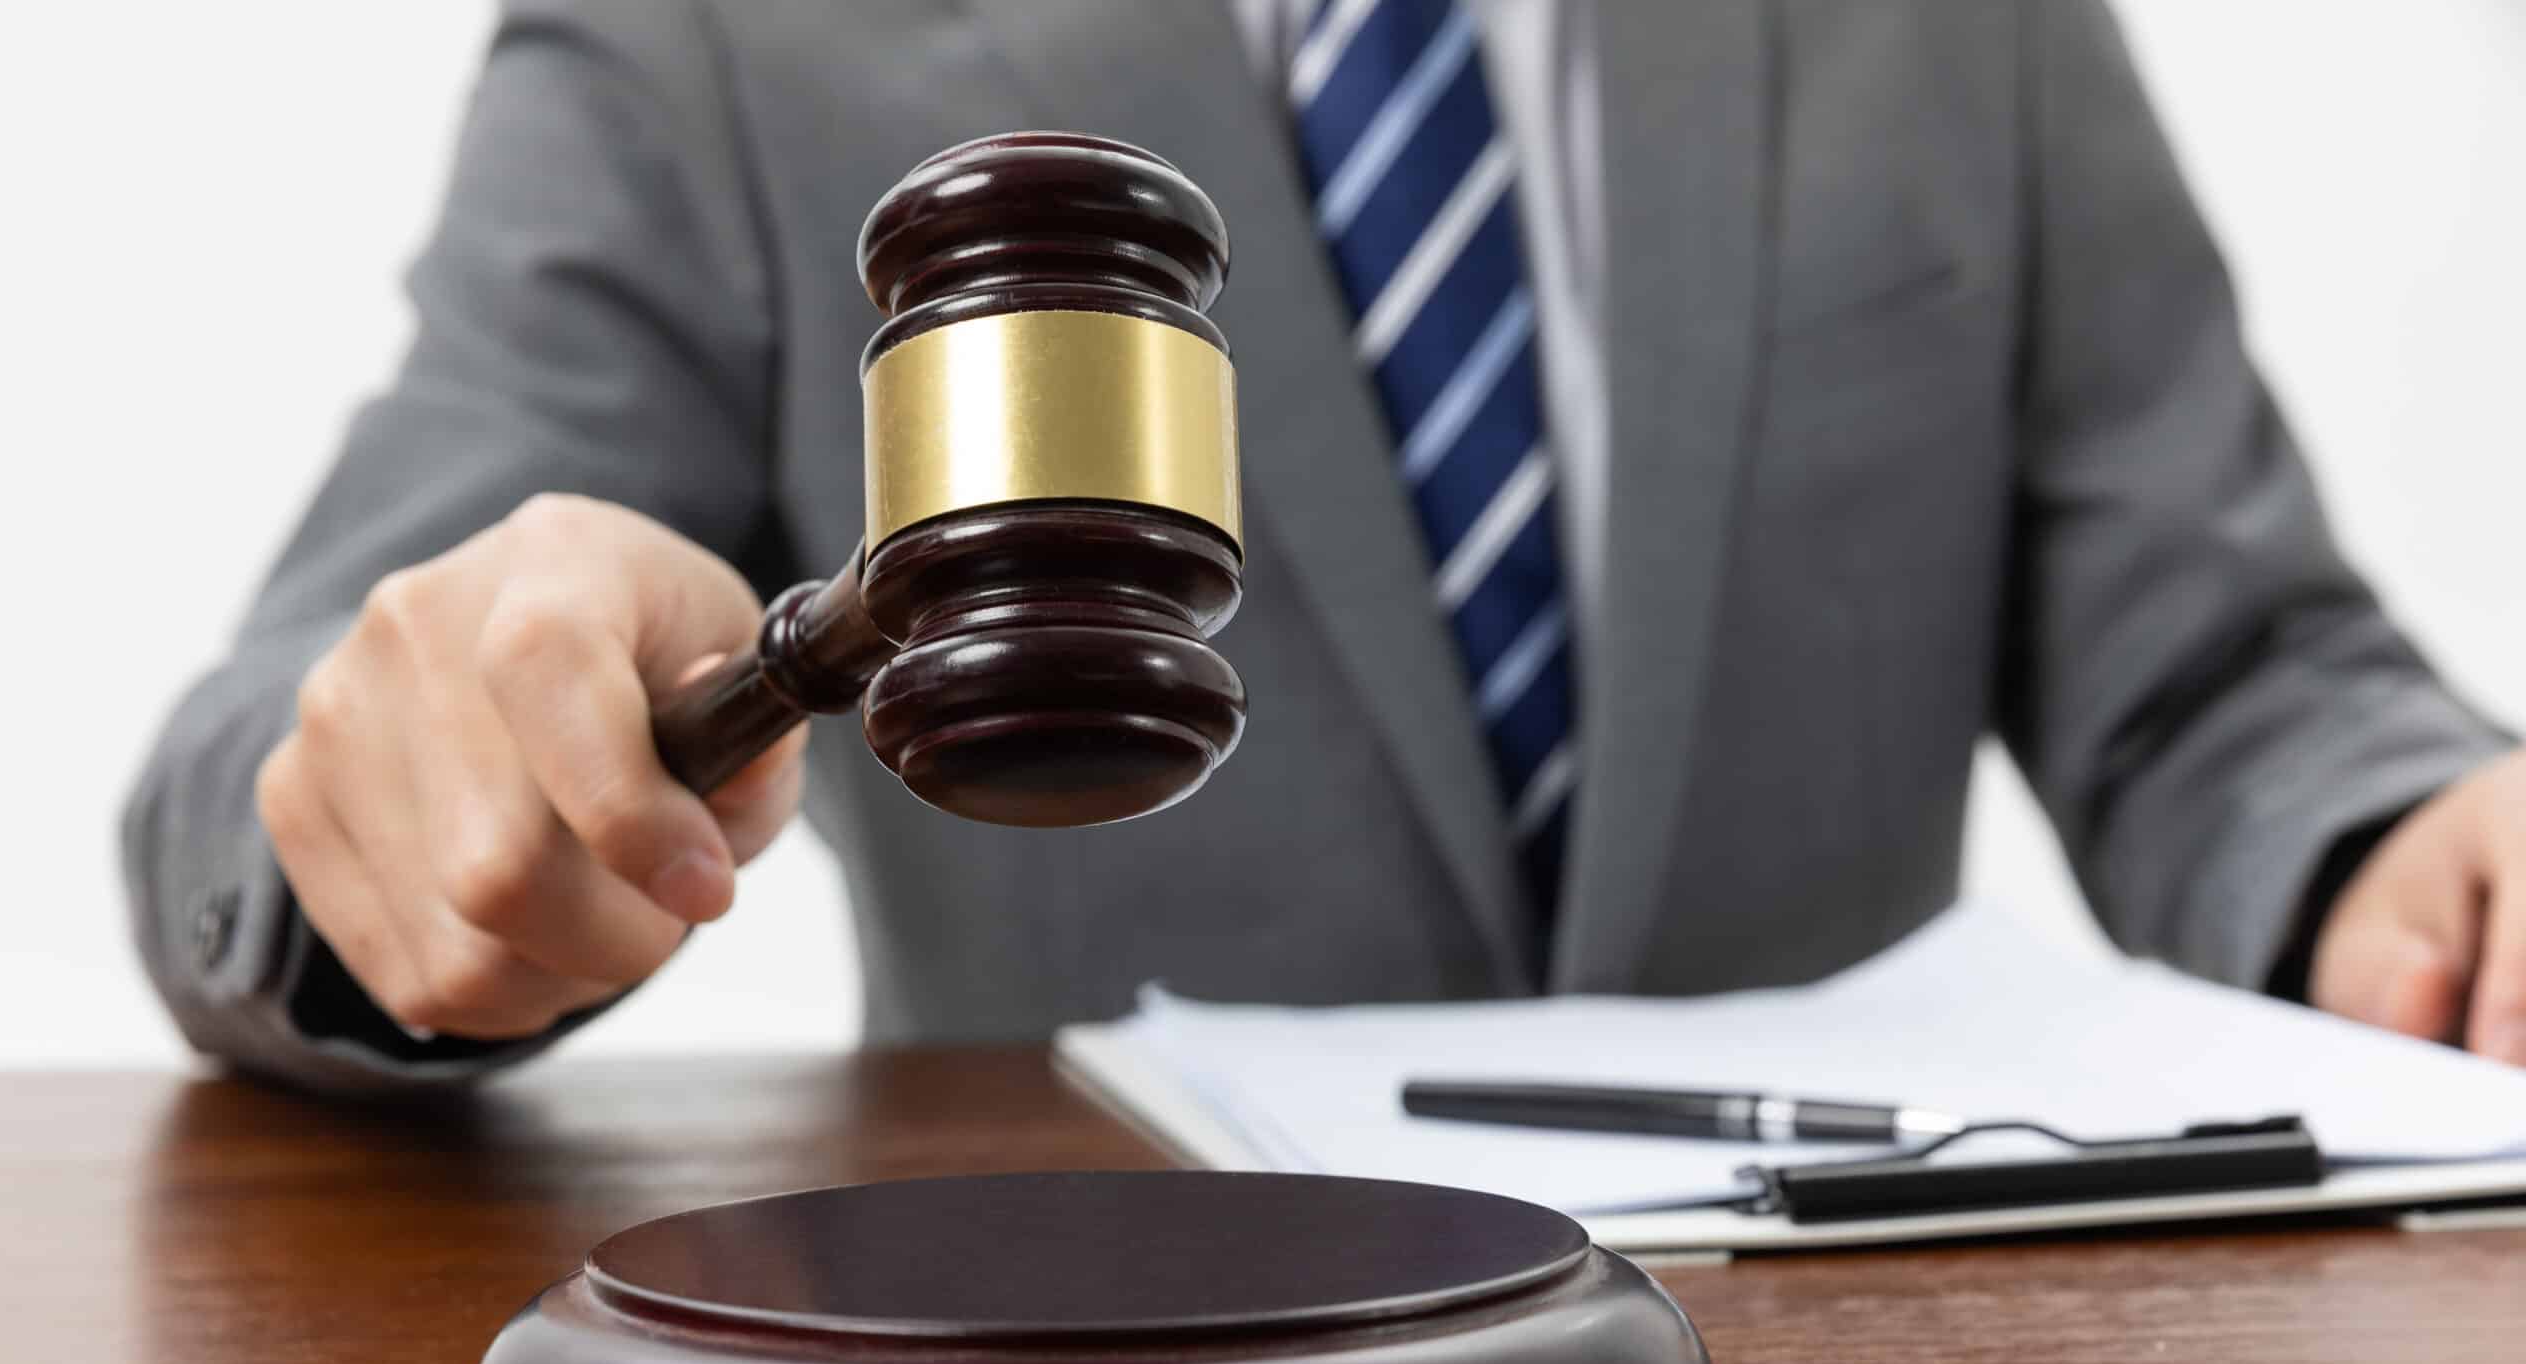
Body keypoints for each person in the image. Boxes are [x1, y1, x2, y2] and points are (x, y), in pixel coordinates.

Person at [125, 0, 2521, 1093]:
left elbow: (2220, 673)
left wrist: (2411, 838)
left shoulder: (1959, 32)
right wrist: (429, 769)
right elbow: (302, 730)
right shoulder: (720, 44)